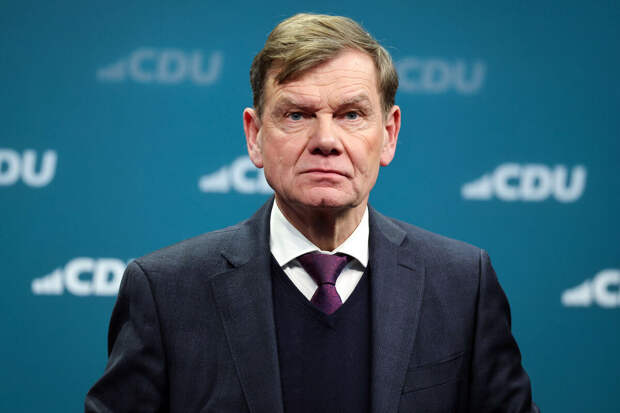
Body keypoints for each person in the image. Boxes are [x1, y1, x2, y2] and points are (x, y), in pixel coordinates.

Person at [85, 13, 539, 413]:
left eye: (351, 114)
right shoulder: (165, 292)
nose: (326, 140)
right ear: (255, 136)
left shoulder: (463, 285)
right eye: (297, 115)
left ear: (389, 134)